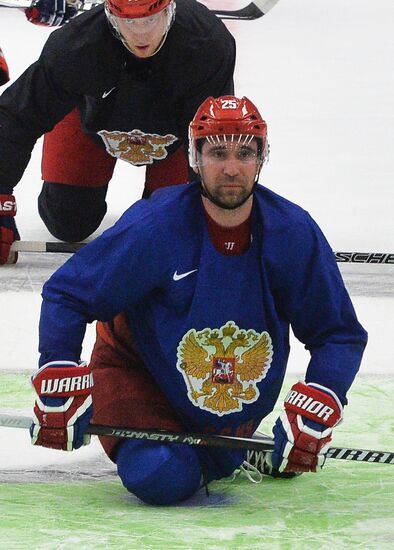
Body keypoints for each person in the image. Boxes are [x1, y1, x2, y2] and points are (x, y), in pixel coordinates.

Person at [30, 95, 367, 505]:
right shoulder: (155, 225)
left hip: (226, 395)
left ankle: (227, 453)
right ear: (194, 158)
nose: (230, 167)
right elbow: (69, 293)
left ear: (261, 159)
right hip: (140, 379)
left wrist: (322, 394)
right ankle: (217, 456)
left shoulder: (292, 232)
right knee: (158, 475)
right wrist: (59, 367)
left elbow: (338, 334)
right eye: (217, 152)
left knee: (195, 462)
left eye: (244, 153)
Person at [0, 0, 236, 265]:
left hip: (179, 134)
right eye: (130, 22)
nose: (141, 34)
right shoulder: (75, 46)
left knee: (170, 227)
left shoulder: (208, 44)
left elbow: (214, 136)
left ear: (170, 12)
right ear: (111, 17)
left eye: (150, 20)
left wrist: (215, 214)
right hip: (91, 122)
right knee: (67, 223)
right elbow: (17, 115)